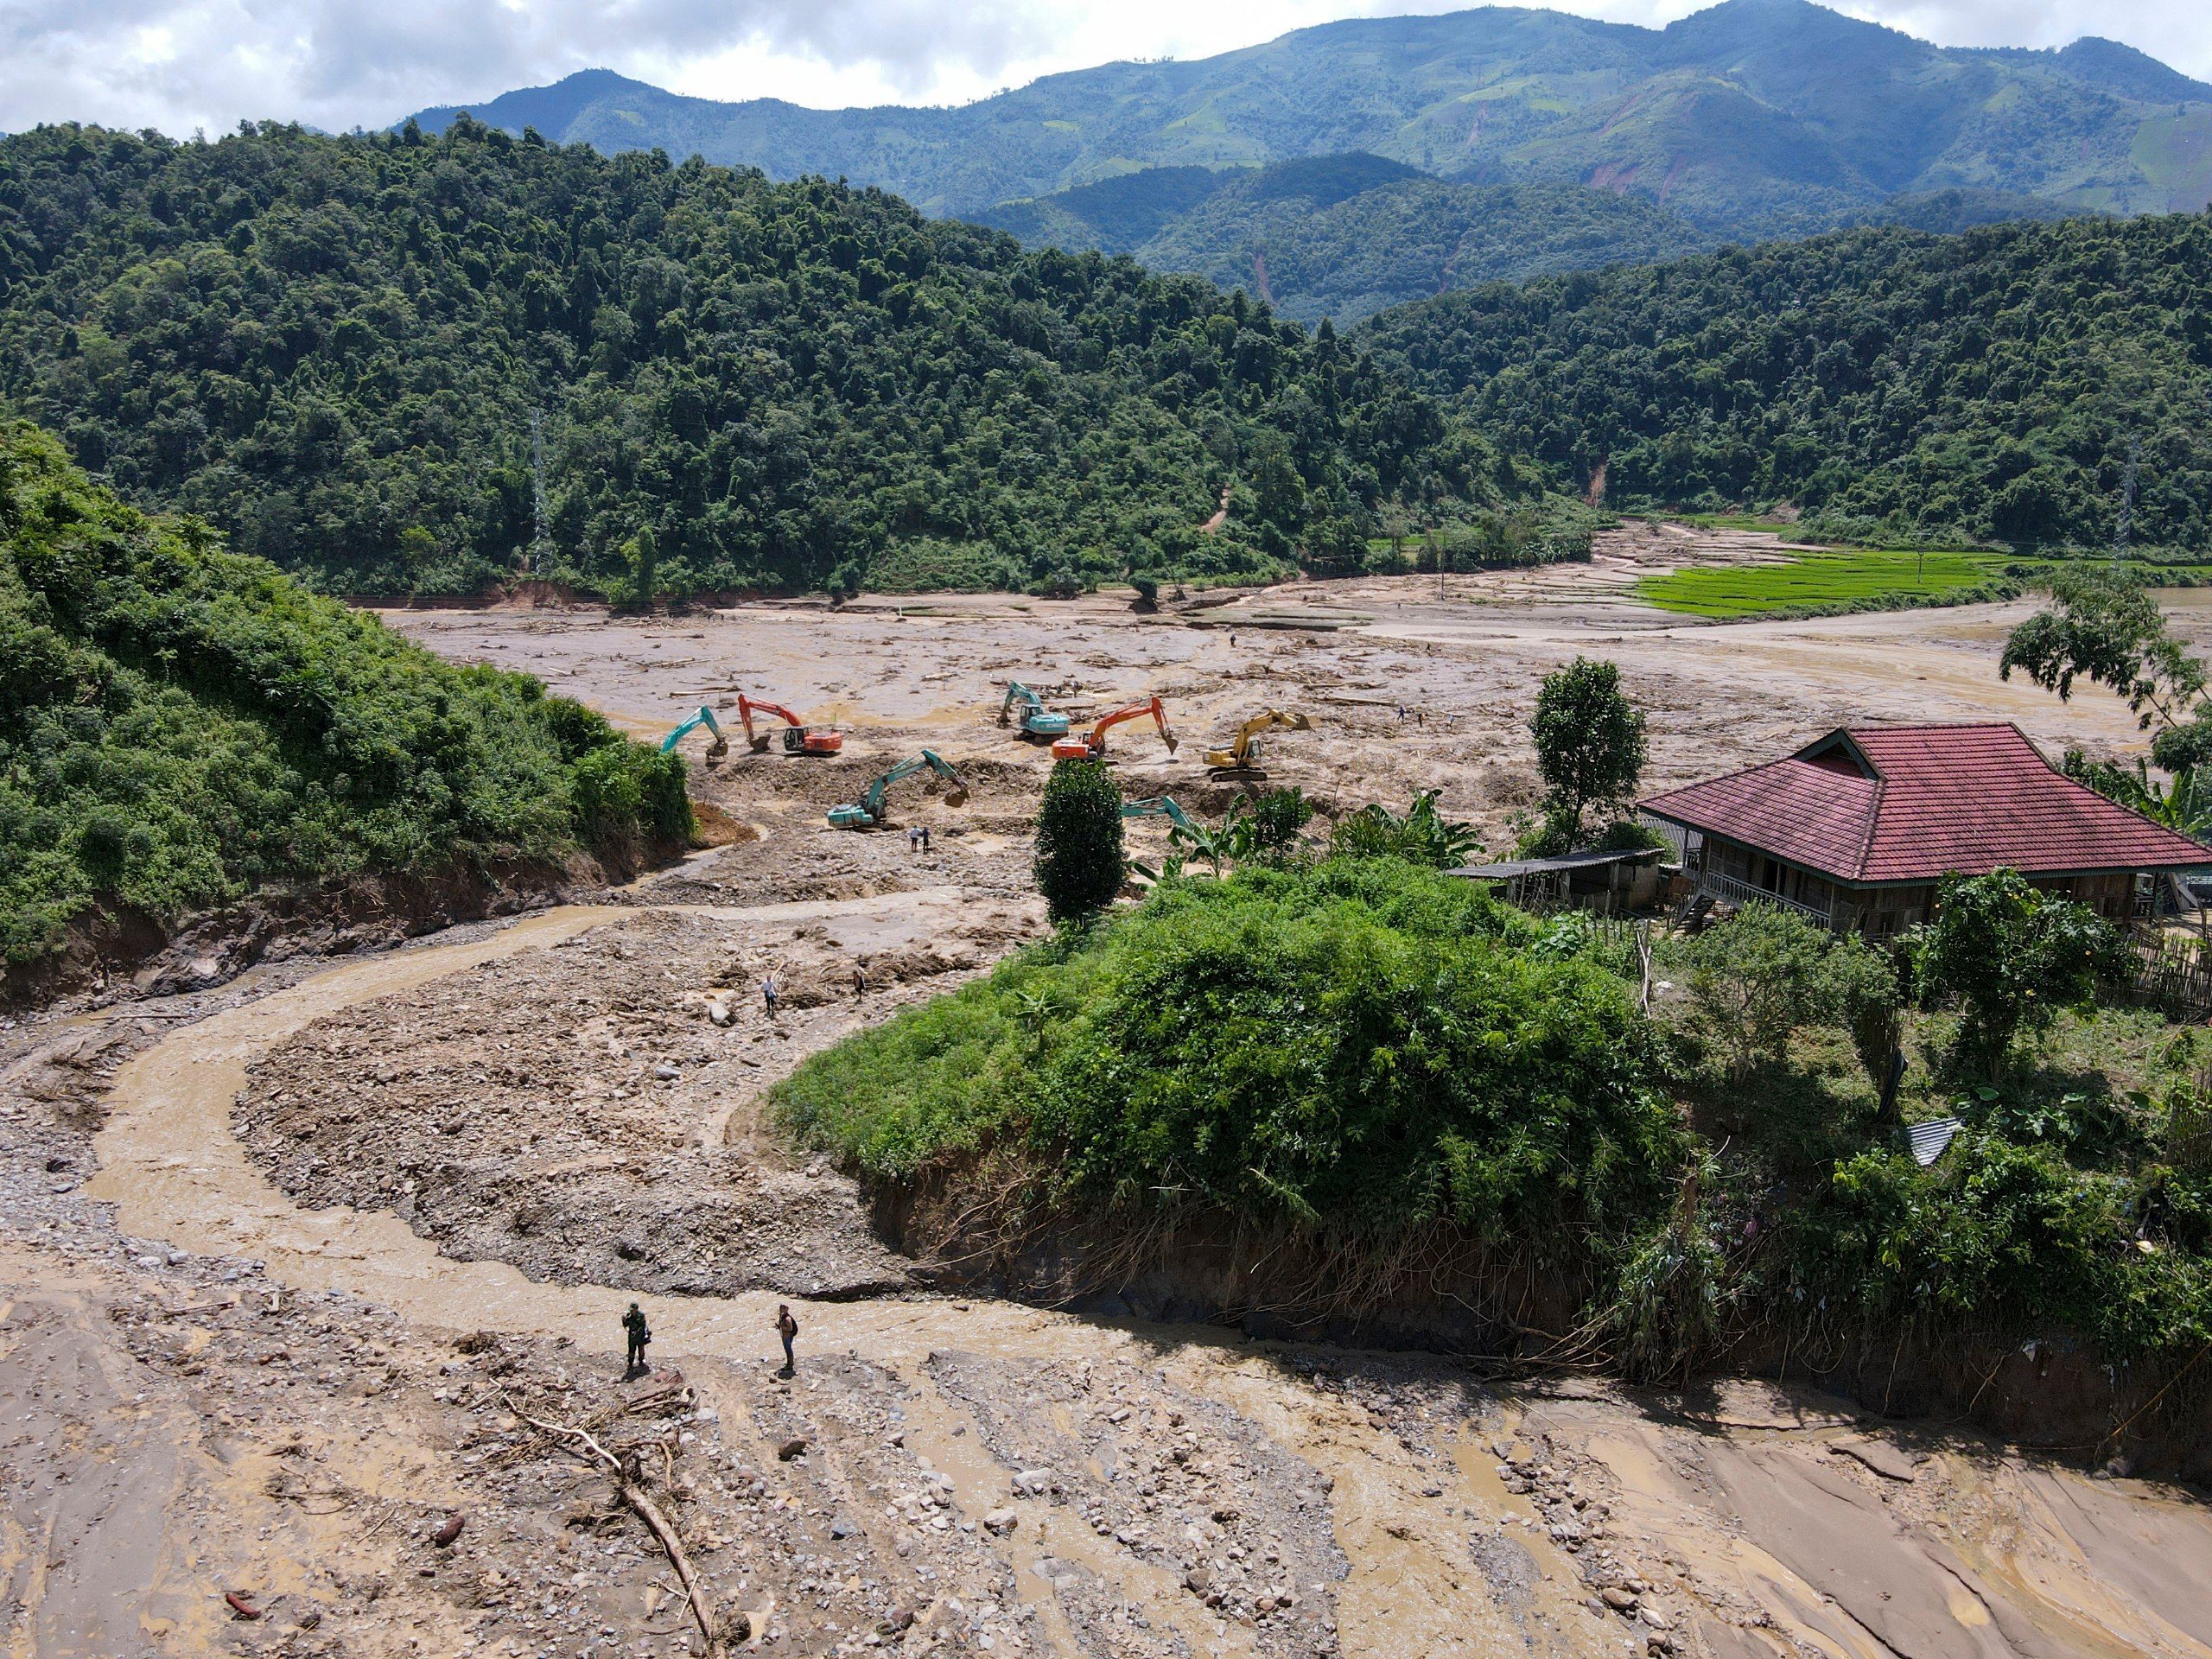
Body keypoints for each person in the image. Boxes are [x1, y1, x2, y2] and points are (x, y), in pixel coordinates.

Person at [622, 1302, 651, 1378]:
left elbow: (643, 1325)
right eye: (630, 1310)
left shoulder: (641, 1315)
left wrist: (637, 1332)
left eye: (633, 1310)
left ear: (636, 1309)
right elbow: (626, 1325)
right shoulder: (629, 1316)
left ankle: (641, 1361)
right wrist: (624, 1320)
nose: (631, 1311)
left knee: (641, 1349)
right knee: (631, 1350)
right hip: (632, 1337)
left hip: (640, 1336)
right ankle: (630, 1363)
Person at [775, 1304, 798, 1376]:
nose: (781, 1309)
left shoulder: (788, 1318)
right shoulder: (782, 1316)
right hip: (784, 1336)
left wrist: (782, 1327)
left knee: (788, 1349)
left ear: (786, 1309)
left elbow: (790, 1329)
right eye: (781, 1308)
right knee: (786, 1349)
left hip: (788, 1336)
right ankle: (789, 1363)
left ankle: (790, 1364)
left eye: (783, 1308)